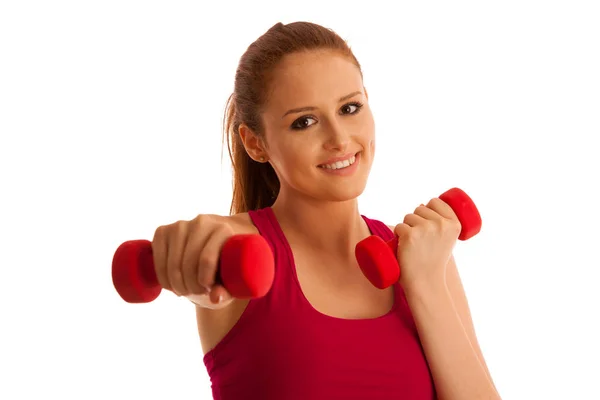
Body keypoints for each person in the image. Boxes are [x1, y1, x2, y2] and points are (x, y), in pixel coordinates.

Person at [150, 21, 500, 400]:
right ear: (255, 143)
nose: (339, 139)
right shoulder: (240, 251)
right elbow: (206, 267)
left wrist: (426, 284)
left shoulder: (427, 258)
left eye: (350, 108)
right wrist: (187, 259)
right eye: (305, 122)